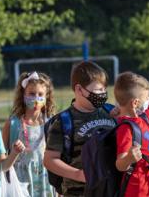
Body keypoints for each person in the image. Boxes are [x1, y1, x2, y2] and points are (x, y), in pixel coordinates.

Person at [43, 61, 117, 196]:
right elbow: (49, 160)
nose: (102, 94)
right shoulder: (64, 121)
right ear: (79, 90)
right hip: (78, 192)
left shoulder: (112, 112)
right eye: (97, 90)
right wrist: (79, 175)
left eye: (104, 89)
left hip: (111, 190)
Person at [114, 72, 149, 197]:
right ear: (135, 103)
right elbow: (120, 164)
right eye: (147, 98)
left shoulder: (144, 117)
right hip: (137, 192)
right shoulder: (125, 128)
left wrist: (123, 100)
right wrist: (129, 158)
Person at [2, 71, 56, 196]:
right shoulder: (12, 124)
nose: (36, 98)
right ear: (23, 95)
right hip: (20, 181)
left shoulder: (52, 123)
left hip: (45, 179)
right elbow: (2, 160)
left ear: (47, 96)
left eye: (40, 94)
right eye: (31, 94)